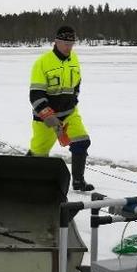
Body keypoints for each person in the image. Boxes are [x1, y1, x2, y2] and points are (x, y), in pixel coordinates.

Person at [28, 25, 94, 191]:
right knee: (38, 153)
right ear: (56, 41)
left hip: (69, 113)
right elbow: (35, 95)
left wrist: (73, 99)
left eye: (71, 43)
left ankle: (78, 182)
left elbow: (77, 83)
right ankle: (26, 176)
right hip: (45, 118)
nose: (68, 47)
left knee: (82, 141)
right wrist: (49, 116)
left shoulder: (74, 59)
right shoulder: (42, 63)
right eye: (65, 43)